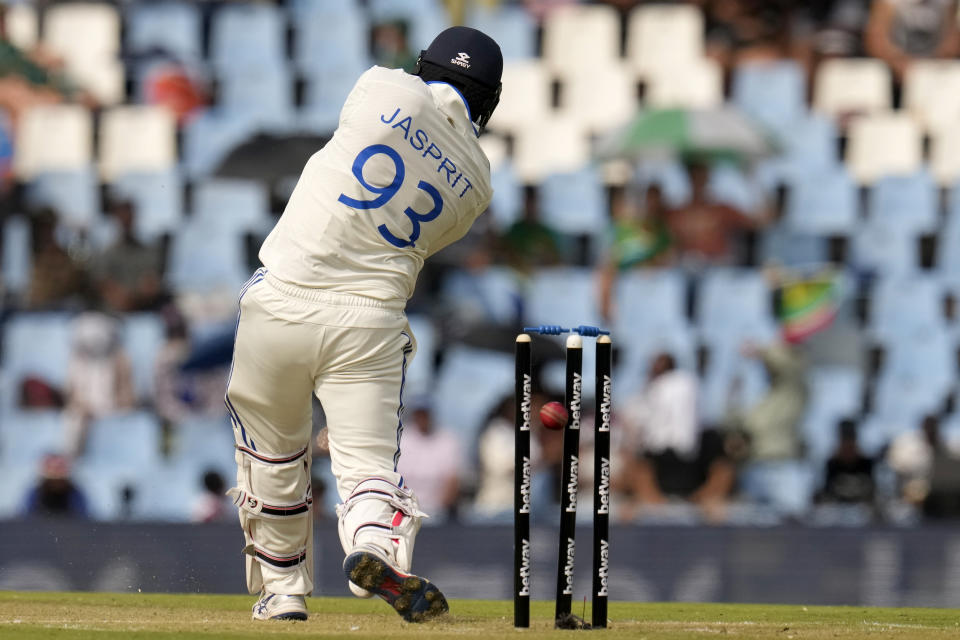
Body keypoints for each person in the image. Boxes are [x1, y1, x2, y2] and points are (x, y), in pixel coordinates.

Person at [225, 27, 502, 622]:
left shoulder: (379, 88)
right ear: (490, 102)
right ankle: (375, 545)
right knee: (366, 468)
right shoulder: (478, 185)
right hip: (371, 322)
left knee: (272, 456)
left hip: (283, 299)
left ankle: (283, 593)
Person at [21, 453, 89, 518]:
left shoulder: (75, 494)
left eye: (59, 469)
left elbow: (82, 517)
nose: (56, 473)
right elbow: (27, 517)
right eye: (52, 469)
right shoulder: (36, 494)